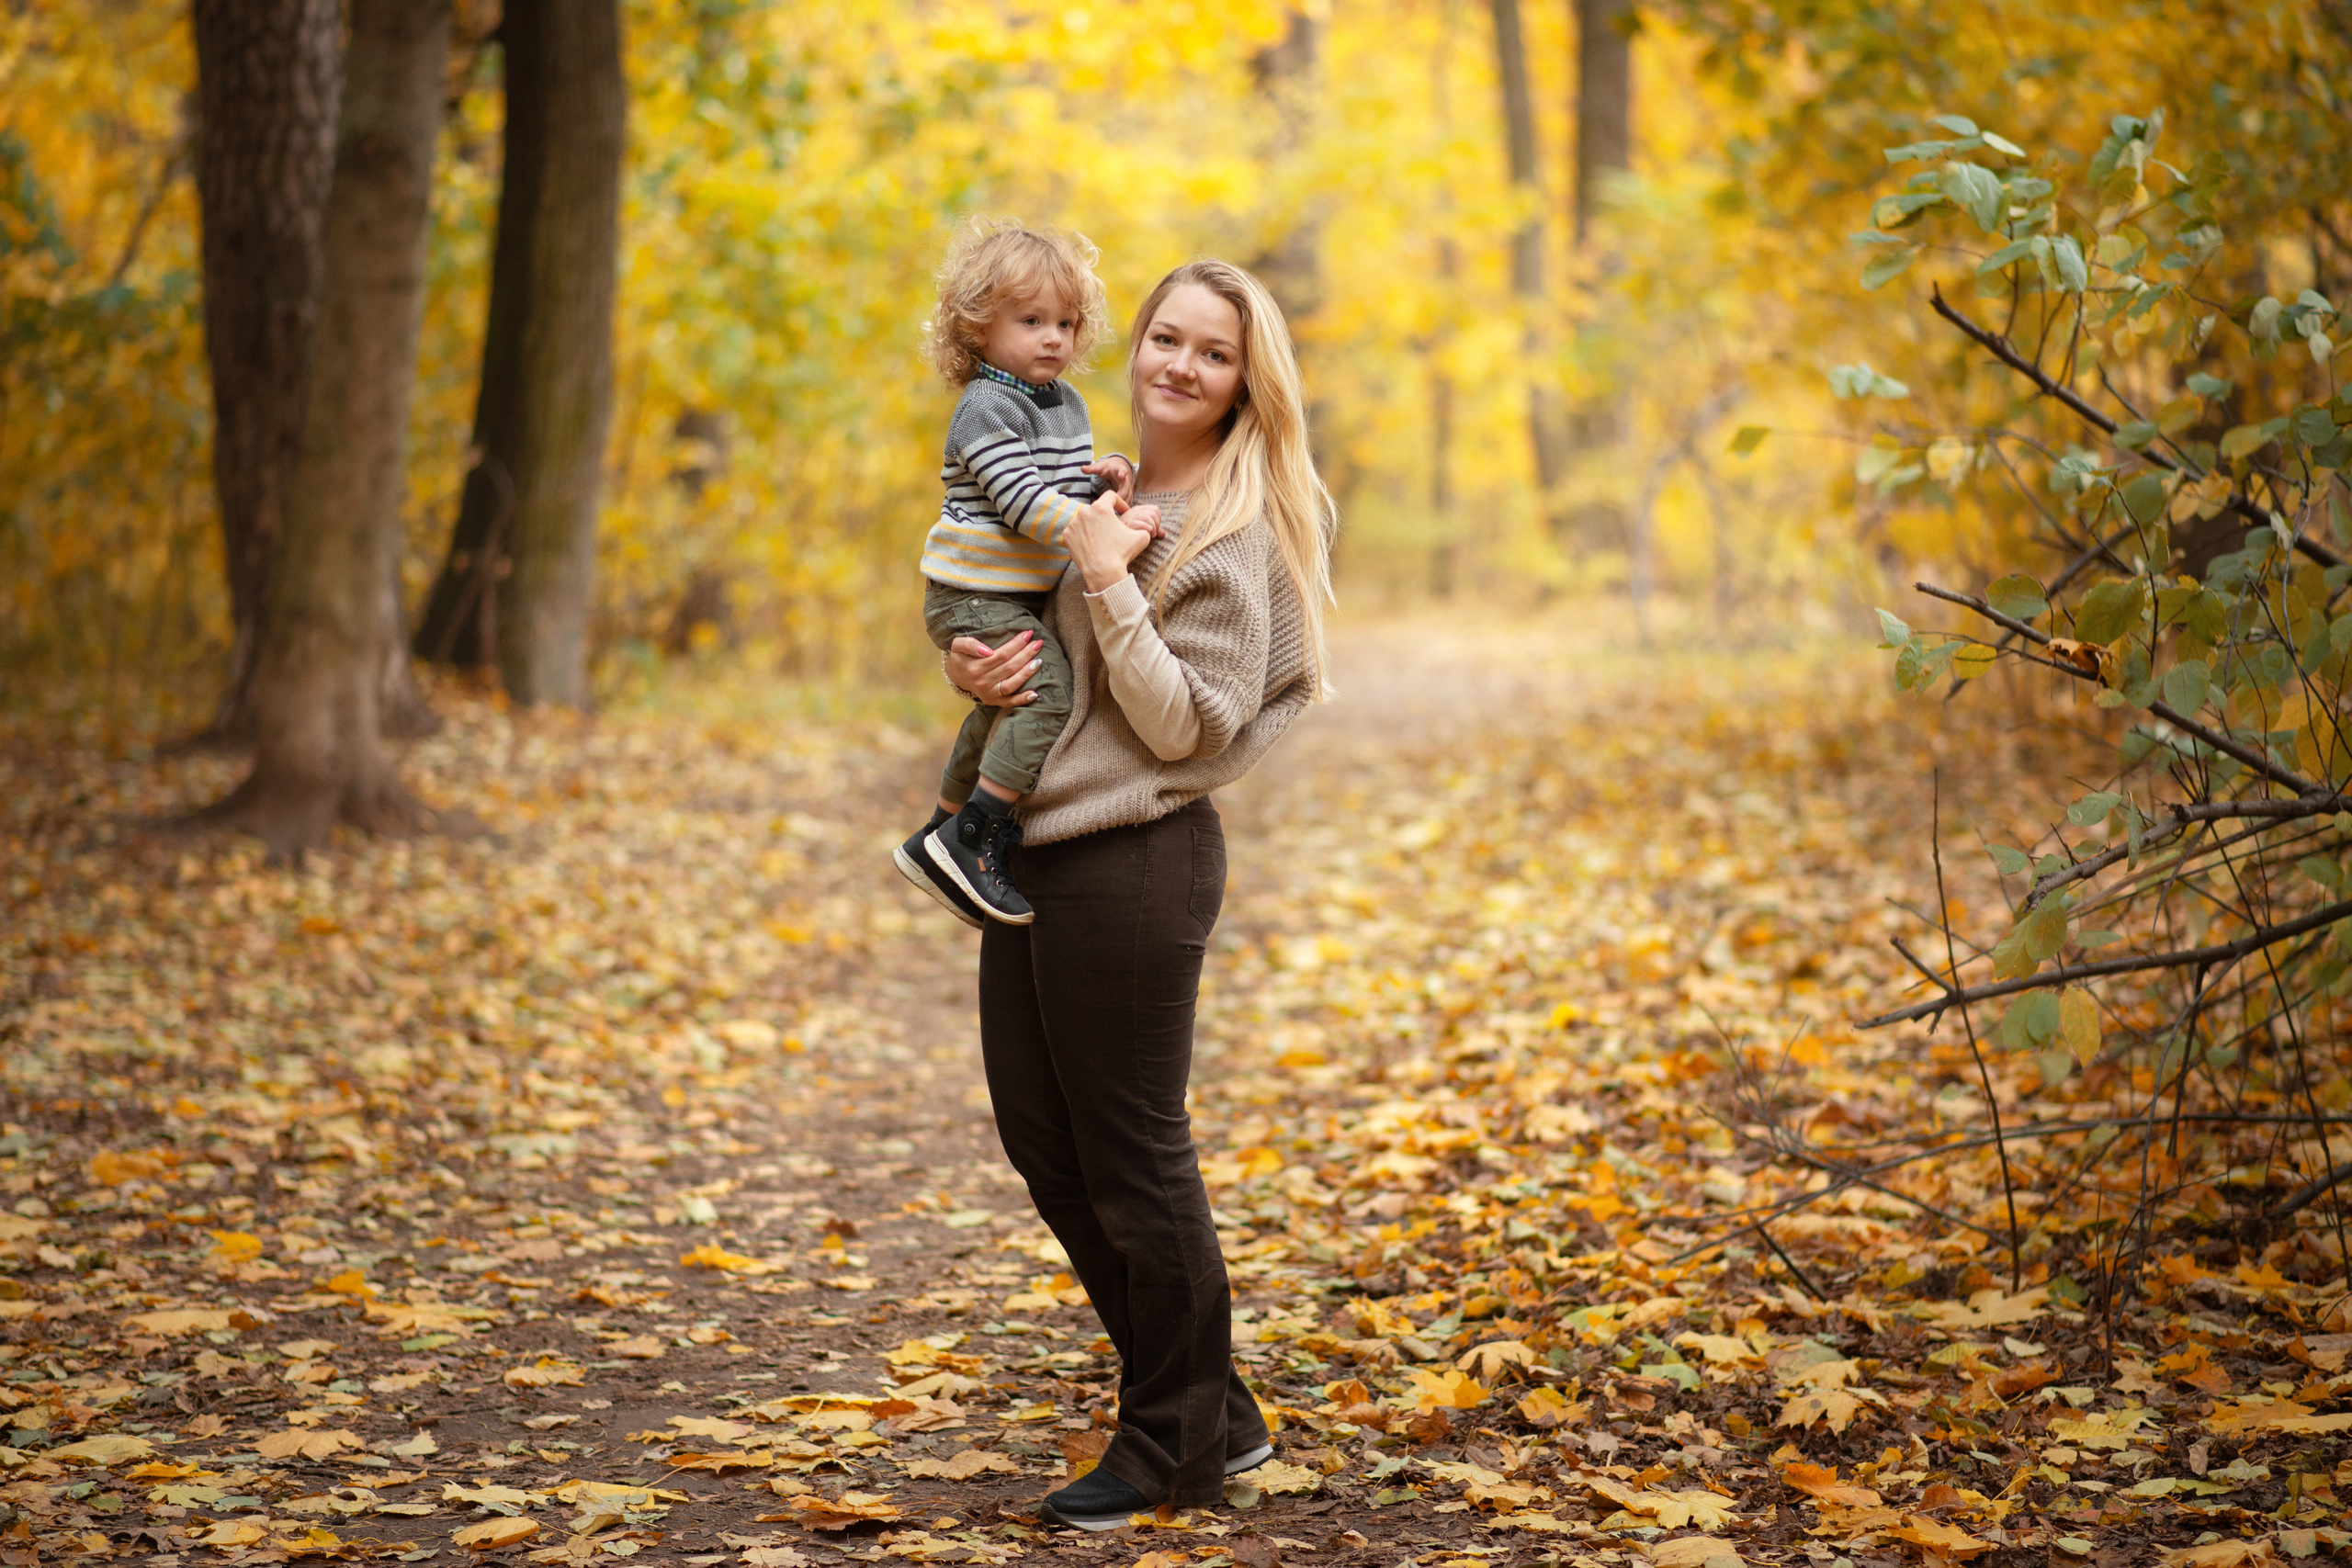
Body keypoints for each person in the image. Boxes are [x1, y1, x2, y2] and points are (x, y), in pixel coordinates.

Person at [943, 259, 1337, 1529]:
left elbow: (1183, 725)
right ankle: (1215, 1402)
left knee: (1135, 1156)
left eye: (1211, 351)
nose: (1177, 363)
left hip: (1136, 856)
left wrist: (1112, 576)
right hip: (1037, 848)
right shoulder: (1092, 480)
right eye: (1165, 336)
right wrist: (975, 660)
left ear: (1242, 382)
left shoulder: (1230, 531)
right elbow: (1033, 642)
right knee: (1044, 1140)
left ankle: (1172, 1444)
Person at [895, 217, 1161, 928]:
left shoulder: (1064, 402)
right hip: (972, 594)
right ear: (979, 328)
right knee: (1046, 693)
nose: (1054, 338)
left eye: (1068, 324)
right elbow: (1022, 503)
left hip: (1007, 593)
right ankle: (977, 834)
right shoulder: (984, 408)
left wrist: (1105, 474)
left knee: (999, 709)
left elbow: (1062, 483)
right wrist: (1105, 529)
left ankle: (938, 832)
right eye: (1033, 320)